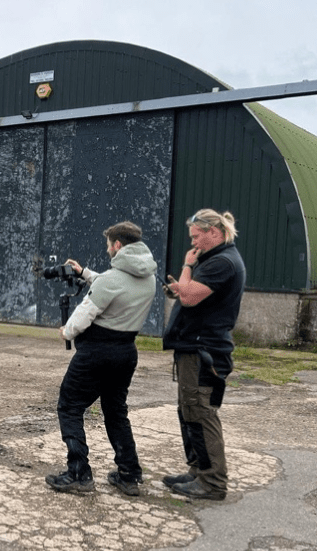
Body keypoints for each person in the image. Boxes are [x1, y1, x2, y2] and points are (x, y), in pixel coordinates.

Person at [45, 221, 158, 496]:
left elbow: (85, 313)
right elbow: (114, 286)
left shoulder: (111, 279)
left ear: (118, 245)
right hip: (126, 353)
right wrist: (84, 272)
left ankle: (79, 473)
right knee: (116, 412)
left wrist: (67, 331)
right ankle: (129, 473)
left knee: (70, 406)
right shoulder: (148, 277)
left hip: (97, 353)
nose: (108, 249)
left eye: (109, 244)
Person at [161, 209, 246, 501]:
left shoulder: (221, 262)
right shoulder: (217, 259)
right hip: (196, 347)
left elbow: (188, 296)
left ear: (215, 231)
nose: (193, 243)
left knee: (200, 412)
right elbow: (191, 295)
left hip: (204, 350)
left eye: (197, 236)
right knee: (189, 412)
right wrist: (183, 286)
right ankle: (198, 470)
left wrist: (186, 267)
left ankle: (212, 482)